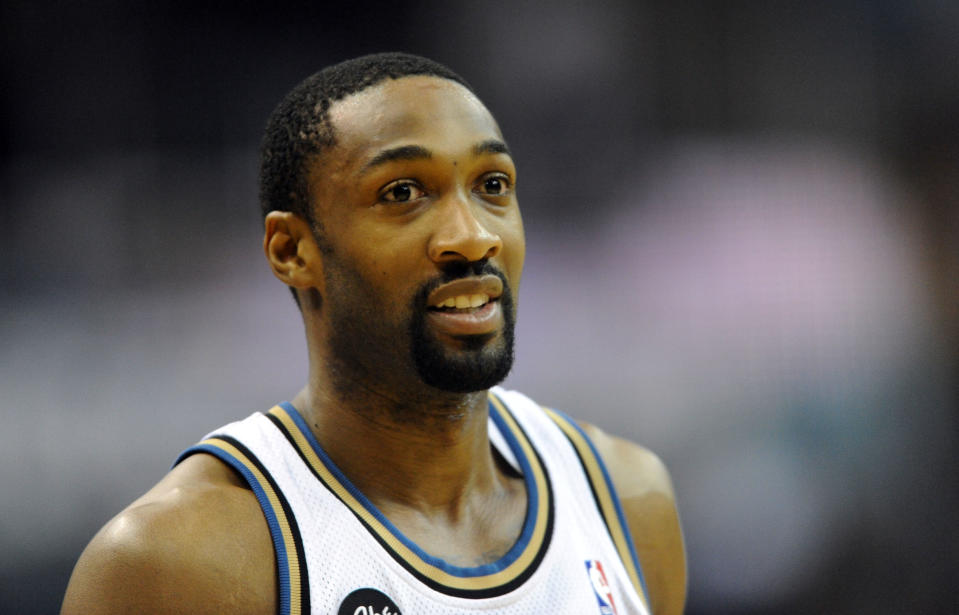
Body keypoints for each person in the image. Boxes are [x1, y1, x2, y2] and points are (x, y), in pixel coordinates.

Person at [61, 52, 686, 615]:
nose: (472, 236)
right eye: (403, 192)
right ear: (292, 250)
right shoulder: (180, 564)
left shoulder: (628, 501)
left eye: (492, 185)